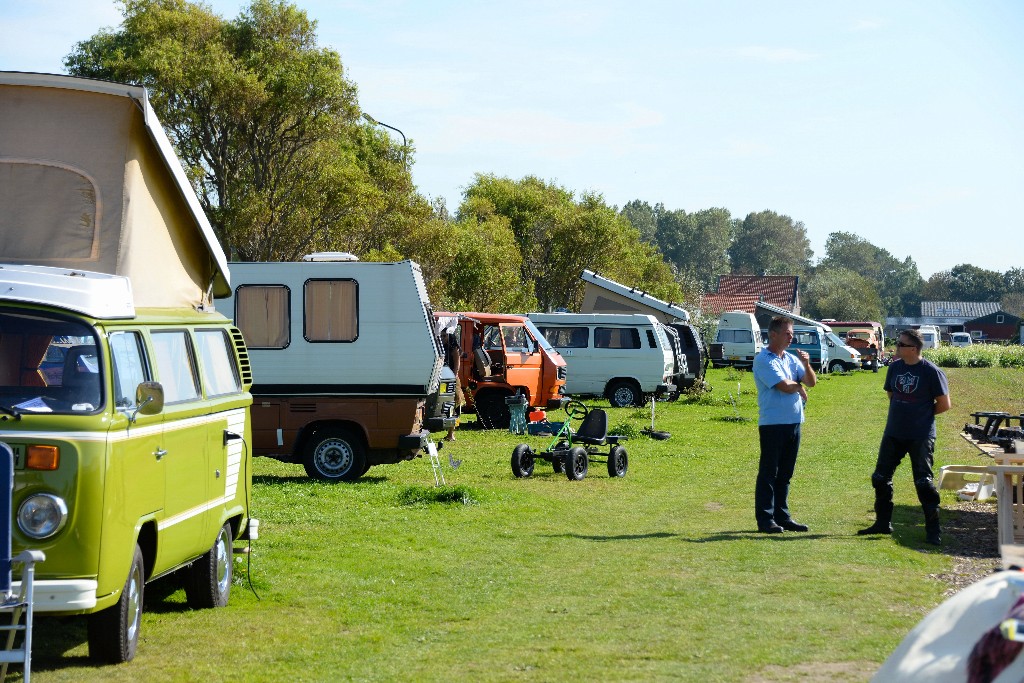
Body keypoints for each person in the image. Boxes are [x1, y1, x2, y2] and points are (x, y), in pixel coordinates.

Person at [858, 328, 951, 545]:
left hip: (920, 435)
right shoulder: (895, 367)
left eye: (900, 344)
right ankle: (882, 523)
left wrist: (921, 415)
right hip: (894, 433)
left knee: (923, 482)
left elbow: (945, 404)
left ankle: (933, 531)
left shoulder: (931, 372)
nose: (896, 347)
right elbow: (892, 394)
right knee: (880, 478)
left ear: (913, 349)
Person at [752, 316, 817, 534]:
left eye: (792, 333)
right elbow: (783, 386)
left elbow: (811, 382)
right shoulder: (764, 359)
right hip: (773, 424)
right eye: (787, 333)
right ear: (773, 334)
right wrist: (798, 387)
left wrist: (806, 365)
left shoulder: (790, 359)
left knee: (786, 474)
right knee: (769, 472)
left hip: (794, 423)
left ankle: (782, 515)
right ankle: (766, 519)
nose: (792, 337)